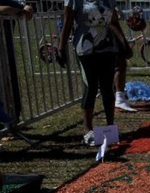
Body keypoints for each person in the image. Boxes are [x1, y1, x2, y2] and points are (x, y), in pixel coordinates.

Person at [59, 0, 124, 147]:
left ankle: (110, 127)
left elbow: (113, 20)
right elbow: (68, 20)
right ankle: (88, 130)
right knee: (90, 87)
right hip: (85, 47)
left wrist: (123, 41)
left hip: (107, 46)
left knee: (108, 87)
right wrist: (61, 47)